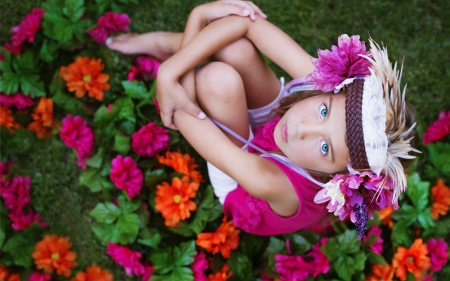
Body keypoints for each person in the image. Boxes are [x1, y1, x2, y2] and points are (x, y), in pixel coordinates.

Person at [107, 1, 419, 236]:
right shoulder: (332, 96)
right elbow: (247, 25)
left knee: (217, 80)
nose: (302, 129)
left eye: (325, 148)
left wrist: (190, 35)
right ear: (335, 90)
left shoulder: (272, 183)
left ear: (338, 177)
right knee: (236, 48)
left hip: (243, 174)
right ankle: (177, 49)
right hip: (272, 131)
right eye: (323, 111)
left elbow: (181, 113)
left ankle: (173, 46)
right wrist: (177, 61)